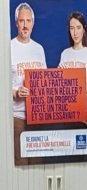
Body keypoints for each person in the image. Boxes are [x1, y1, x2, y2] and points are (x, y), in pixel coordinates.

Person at [9, 2, 46, 166]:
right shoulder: (7, 48)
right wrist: (16, 92)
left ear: (33, 23)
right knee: (20, 163)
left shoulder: (39, 49)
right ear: (16, 22)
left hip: (37, 118)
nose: (25, 26)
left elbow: (45, 81)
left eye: (28, 21)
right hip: (18, 117)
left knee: (38, 163)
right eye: (22, 21)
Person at [58, 11, 87, 132]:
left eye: (78, 28)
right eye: (72, 28)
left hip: (85, 102)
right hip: (67, 103)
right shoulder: (65, 54)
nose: (75, 32)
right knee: (68, 145)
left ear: (84, 29)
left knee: (84, 145)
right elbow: (56, 81)